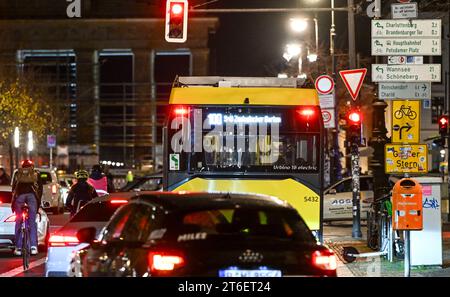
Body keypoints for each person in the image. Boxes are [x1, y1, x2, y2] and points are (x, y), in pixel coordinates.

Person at [11, 160, 43, 256]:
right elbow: (40, 189)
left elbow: (13, 188)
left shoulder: (17, 173)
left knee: (18, 221)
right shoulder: (36, 173)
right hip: (31, 196)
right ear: (32, 166)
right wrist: (38, 203)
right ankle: (33, 247)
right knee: (32, 222)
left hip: (20, 197)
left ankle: (18, 248)